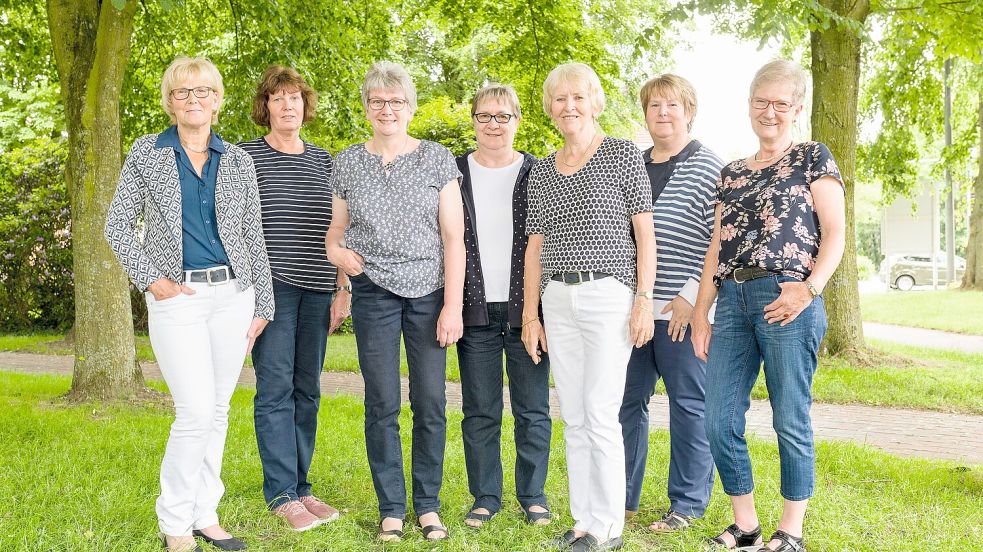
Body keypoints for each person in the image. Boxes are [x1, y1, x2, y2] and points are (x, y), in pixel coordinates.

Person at [105, 56, 274, 552]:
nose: (194, 100)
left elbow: (252, 234)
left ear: (218, 101)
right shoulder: (147, 154)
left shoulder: (239, 160)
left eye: (203, 91)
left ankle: (205, 512)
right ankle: (175, 522)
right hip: (178, 297)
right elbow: (118, 226)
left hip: (233, 297)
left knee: (218, 410)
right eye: (183, 92)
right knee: (195, 411)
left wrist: (261, 301)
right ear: (170, 102)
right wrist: (150, 279)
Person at [692, 60, 846, 552]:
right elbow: (716, 246)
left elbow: (836, 232)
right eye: (762, 102)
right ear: (749, 106)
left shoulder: (812, 157)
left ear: (797, 109)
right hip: (733, 300)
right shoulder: (731, 172)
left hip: (787, 297)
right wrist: (701, 309)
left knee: (789, 417)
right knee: (717, 417)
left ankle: (791, 531)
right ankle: (747, 526)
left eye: (781, 103)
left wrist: (810, 287)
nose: (770, 112)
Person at [325, 61, 464, 543]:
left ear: (411, 106)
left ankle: (427, 506)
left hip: (428, 294)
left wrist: (452, 306)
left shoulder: (437, 159)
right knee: (381, 401)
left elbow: (453, 239)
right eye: (378, 101)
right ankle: (390, 508)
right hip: (373, 294)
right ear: (366, 107)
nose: (387, 109)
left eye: (396, 101)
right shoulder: (346, 162)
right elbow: (335, 235)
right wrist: (340, 257)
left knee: (430, 403)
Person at [522, 62, 656, 552]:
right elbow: (534, 246)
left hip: (608, 296)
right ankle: (583, 521)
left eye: (578, 97)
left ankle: (608, 527)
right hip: (556, 298)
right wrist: (529, 315)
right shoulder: (542, 169)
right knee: (573, 414)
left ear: (595, 103)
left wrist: (643, 299)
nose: (569, 106)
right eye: (559, 99)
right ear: (550, 110)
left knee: (600, 412)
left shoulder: (621, 155)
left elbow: (645, 235)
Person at [239, 65, 347, 532]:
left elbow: (342, 229)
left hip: (319, 288)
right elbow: (234, 227)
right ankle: (281, 493)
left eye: (296, 98)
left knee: (308, 389)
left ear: (306, 106)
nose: (289, 106)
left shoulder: (327, 162)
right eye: (279, 98)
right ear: (265, 107)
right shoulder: (244, 158)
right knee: (276, 389)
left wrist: (342, 289)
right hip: (272, 290)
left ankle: (302, 487)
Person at [619, 74, 724, 532]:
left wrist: (689, 300)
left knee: (688, 406)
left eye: (672, 105)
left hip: (682, 312)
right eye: (654, 105)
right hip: (635, 310)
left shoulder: (710, 168)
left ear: (689, 111)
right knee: (626, 404)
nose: (663, 113)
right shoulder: (632, 165)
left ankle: (686, 504)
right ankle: (622, 498)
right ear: (644, 113)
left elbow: (717, 242)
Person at [455, 84, 552, 529]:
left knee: (532, 410)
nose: (493, 124)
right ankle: (485, 496)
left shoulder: (540, 172)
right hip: (473, 309)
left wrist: (535, 312)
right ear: (473, 120)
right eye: (485, 116)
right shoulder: (454, 172)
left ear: (517, 121)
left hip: (527, 312)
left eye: (503, 116)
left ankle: (533, 495)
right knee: (479, 410)